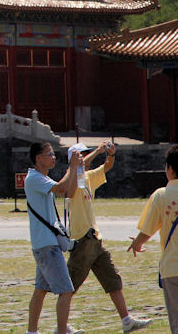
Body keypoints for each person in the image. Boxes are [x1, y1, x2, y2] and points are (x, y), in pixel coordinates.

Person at [64, 142, 151, 332]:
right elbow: (72, 181)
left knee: (112, 280)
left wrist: (110, 155)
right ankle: (61, 326)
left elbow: (107, 167)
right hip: (82, 240)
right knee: (69, 286)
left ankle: (126, 320)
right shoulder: (70, 178)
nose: (85, 158)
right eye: (82, 154)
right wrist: (96, 151)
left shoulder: (87, 177)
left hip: (95, 239)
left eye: (85, 154)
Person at [25, 141, 83, 334]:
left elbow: (69, 191)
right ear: (38, 158)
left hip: (45, 244)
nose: (53, 158)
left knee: (41, 290)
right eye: (49, 154)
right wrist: (72, 166)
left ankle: (32, 331)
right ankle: (61, 331)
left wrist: (76, 170)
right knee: (66, 290)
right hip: (47, 245)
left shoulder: (42, 179)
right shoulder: (34, 178)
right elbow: (61, 188)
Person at [128, 144, 178, 331]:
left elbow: (148, 230)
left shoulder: (161, 195)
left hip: (172, 268)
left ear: (170, 169)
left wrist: (136, 243)